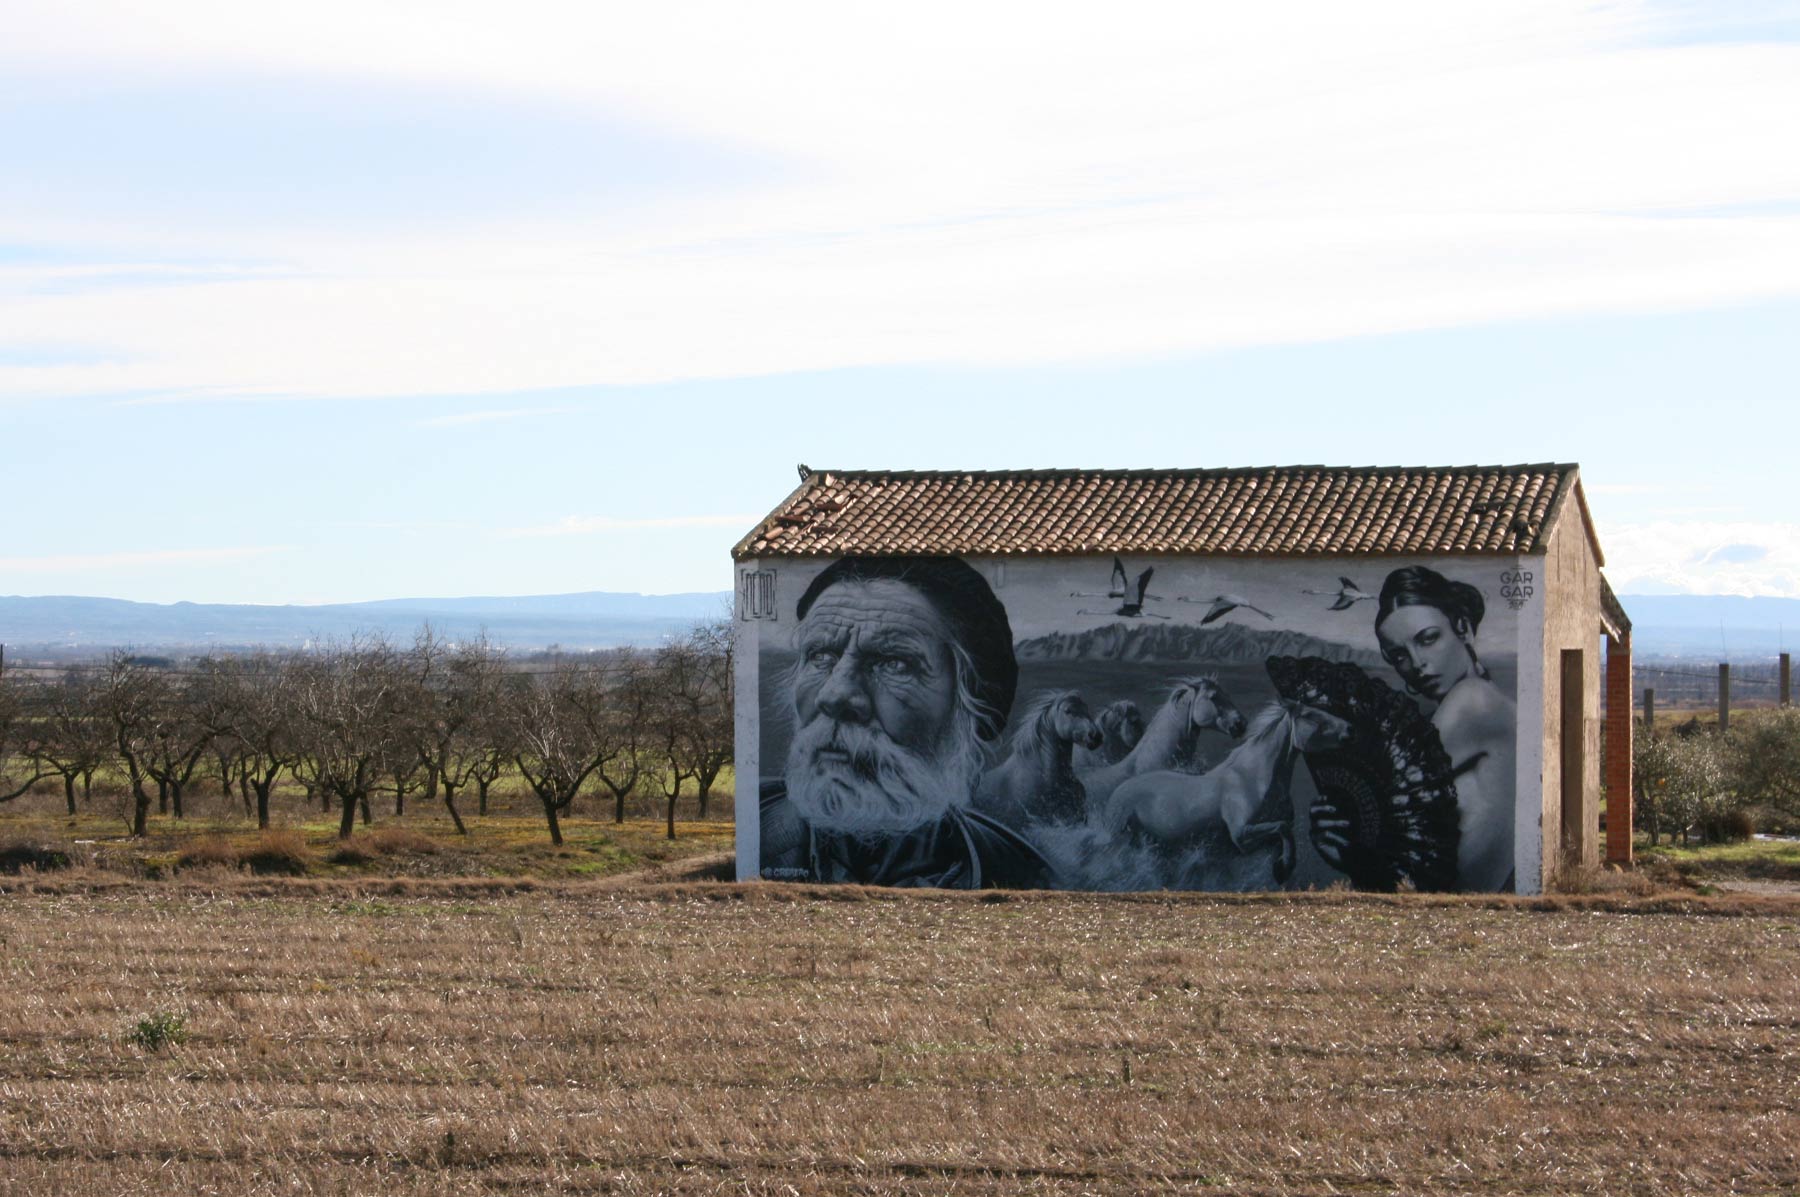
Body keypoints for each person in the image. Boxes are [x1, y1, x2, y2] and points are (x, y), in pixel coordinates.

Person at [760, 555, 1048, 888]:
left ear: (970, 705)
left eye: (894, 663)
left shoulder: (1017, 873)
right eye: (821, 656)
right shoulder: (763, 833)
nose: (834, 695)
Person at [1312, 565, 1516, 890]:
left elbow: (1384, 792)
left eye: (1428, 639)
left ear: (1462, 627)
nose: (1417, 663)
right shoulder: (1490, 704)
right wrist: (1351, 855)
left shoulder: (1474, 700)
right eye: (1399, 656)